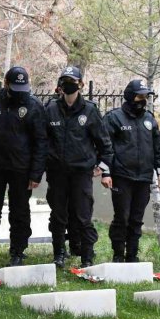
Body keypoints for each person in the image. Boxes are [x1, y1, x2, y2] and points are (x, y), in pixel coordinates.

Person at [0, 66, 46, 268]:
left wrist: (36, 173)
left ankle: (17, 250)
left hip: (21, 169)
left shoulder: (34, 106)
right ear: (6, 84)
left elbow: (41, 142)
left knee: (20, 211)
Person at [44, 66, 113, 268]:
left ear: (81, 84)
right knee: (57, 215)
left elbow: (105, 144)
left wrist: (102, 166)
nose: (68, 84)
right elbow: (43, 140)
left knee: (83, 215)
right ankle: (59, 254)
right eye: (64, 80)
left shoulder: (90, 110)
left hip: (81, 173)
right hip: (57, 173)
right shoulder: (51, 108)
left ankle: (87, 255)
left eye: (72, 81)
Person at [103, 79, 160, 263]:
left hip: (144, 177)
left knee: (137, 218)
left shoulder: (149, 119)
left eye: (146, 96)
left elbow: (157, 148)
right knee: (122, 217)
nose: (143, 100)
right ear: (130, 96)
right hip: (122, 177)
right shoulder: (114, 118)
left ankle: (132, 255)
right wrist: (106, 172)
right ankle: (118, 254)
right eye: (140, 96)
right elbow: (106, 147)